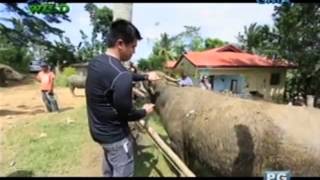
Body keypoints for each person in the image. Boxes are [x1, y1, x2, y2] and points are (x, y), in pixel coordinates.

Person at [85, 19, 160, 177]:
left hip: (98, 131)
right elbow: (128, 114)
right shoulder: (121, 74)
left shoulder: (97, 62)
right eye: (133, 47)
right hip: (116, 138)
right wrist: (144, 111)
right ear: (120, 44)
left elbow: (122, 76)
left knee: (109, 169)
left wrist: (145, 76)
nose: (134, 52)